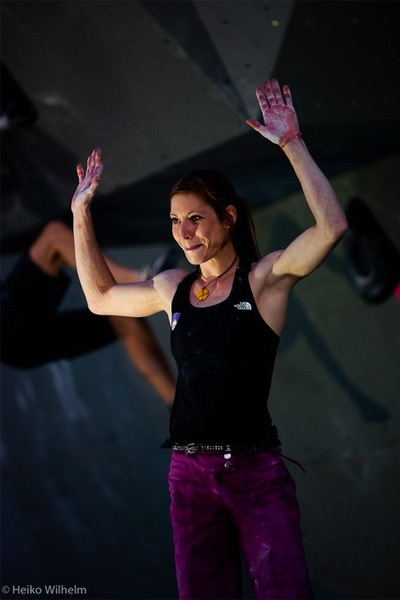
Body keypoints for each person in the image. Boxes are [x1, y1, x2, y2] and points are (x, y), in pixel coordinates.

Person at [70, 79, 348, 599]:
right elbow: (100, 297)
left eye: (196, 218)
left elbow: (331, 226)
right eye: (176, 221)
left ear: (228, 217)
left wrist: (292, 144)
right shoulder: (173, 287)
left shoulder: (264, 280)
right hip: (188, 476)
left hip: (254, 472)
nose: (184, 231)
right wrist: (81, 213)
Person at [1, 220, 180, 406]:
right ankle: (138, 281)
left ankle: (178, 404)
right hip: (8, 332)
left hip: (14, 345)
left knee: (122, 317)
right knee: (53, 237)